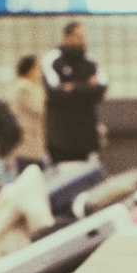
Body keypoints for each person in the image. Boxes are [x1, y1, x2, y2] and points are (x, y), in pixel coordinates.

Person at [42, 21, 107, 165]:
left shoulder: (91, 60)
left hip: (86, 137)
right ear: (67, 37)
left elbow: (101, 89)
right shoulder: (52, 59)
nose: (82, 40)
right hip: (60, 139)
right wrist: (86, 88)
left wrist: (74, 87)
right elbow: (55, 93)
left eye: (83, 36)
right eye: (78, 36)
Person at [9, 54, 48, 174]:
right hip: (28, 141)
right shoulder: (25, 87)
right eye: (38, 68)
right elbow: (39, 108)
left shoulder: (20, 85)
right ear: (30, 70)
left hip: (28, 140)